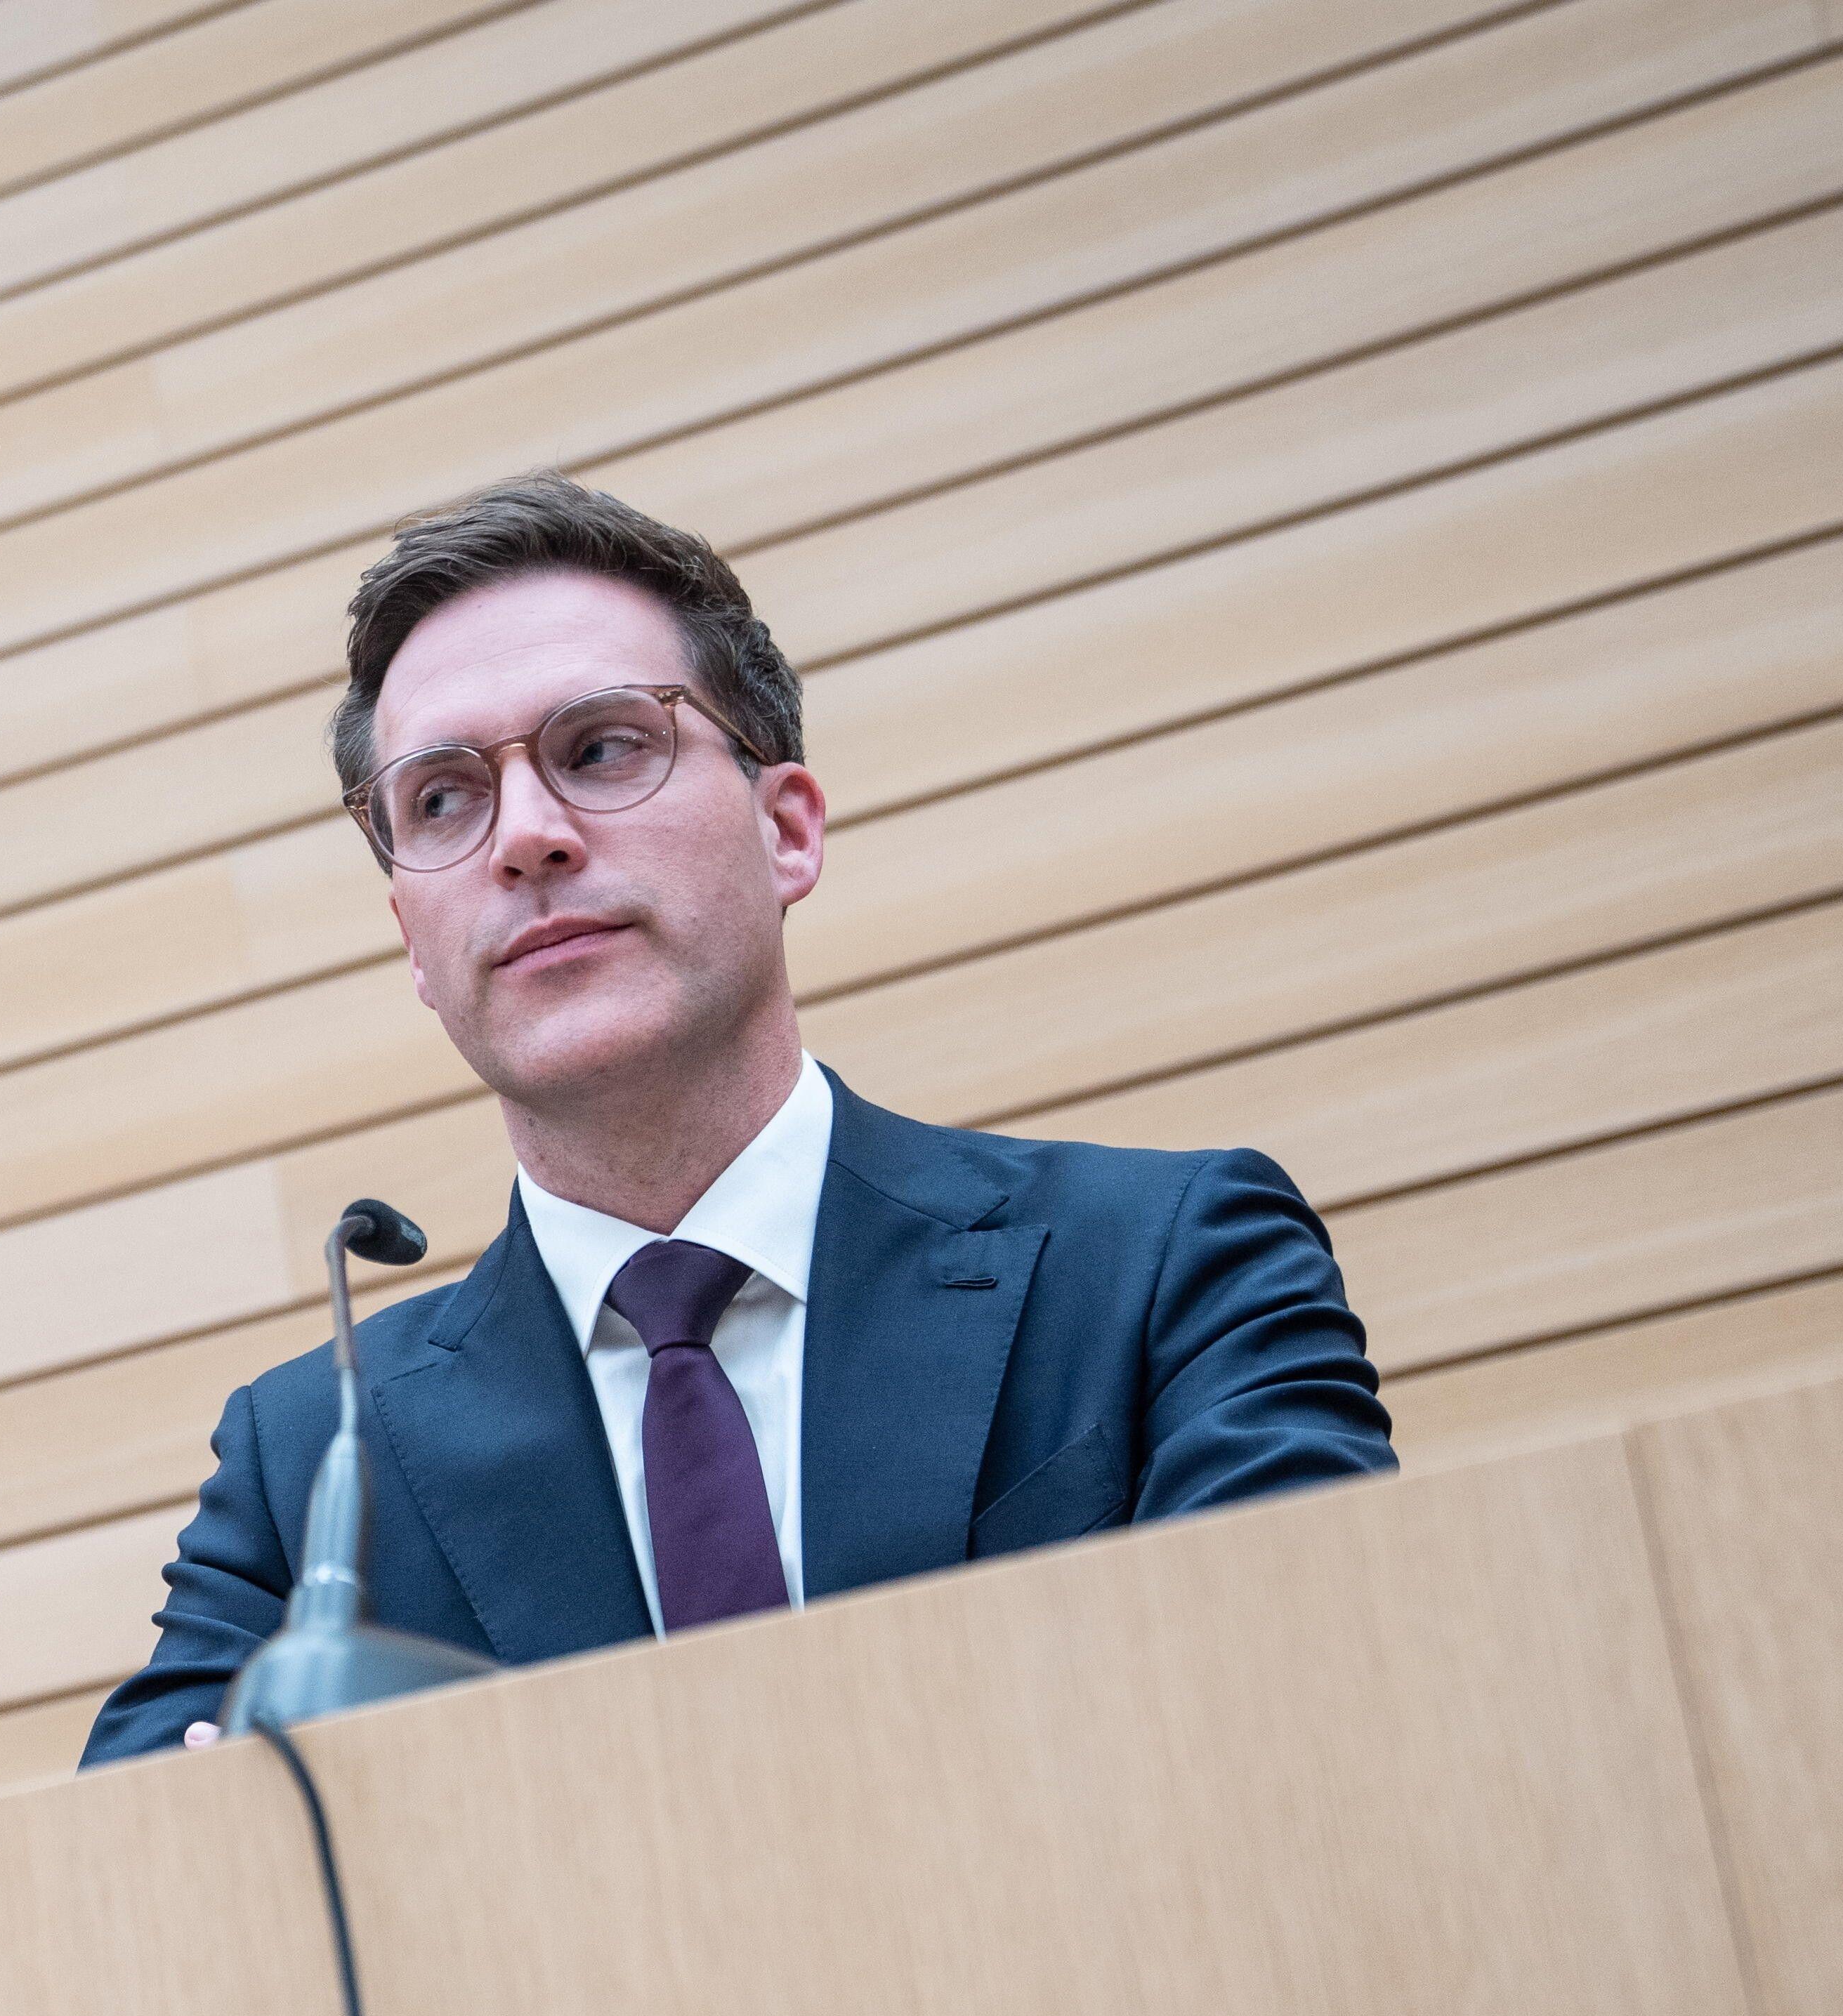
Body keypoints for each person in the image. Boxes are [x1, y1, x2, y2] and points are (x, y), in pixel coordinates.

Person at [86, 476, 1391, 1763]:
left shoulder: (1166, 1267)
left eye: (601, 749)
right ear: (413, 947)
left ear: (788, 832)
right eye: (443, 799)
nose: (525, 837)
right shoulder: (312, 1467)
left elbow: (1329, 1716)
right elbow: (143, 1867)